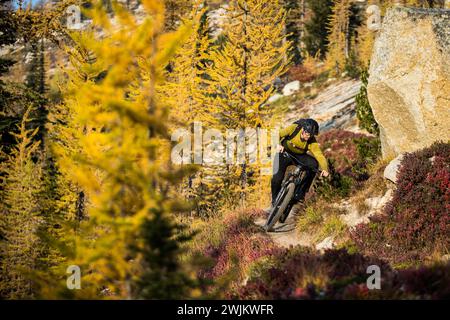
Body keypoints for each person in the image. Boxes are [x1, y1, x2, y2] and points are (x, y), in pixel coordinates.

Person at [268, 118, 329, 212]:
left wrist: (325, 169)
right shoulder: (294, 128)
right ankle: (274, 200)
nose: (308, 137)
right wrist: (277, 145)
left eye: (311, 135)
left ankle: (300, 194)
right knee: (277, 177)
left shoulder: (311, 141)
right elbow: (277, 135)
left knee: (314, 165)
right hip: (284, 152)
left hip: (299, 156)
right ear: (303, 130)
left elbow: (319, 155)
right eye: (307, 134)